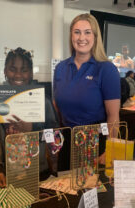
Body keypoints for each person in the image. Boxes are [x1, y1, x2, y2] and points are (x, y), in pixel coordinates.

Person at [53, 13, 120, 163]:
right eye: (77, 32)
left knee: (91, 186)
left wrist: (111, 149)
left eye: (87, 32)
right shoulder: (60, 68)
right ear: (71, 36)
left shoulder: (106, 69)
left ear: (95, 37)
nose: (81, 38)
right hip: (67, 142)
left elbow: (113, 115)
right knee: (64, 185)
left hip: (95, 143)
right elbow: (57, 108)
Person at [0, 47, 58, 187]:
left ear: (31, 73)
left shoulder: (43, 101)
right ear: (5, 71)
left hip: (40, 172)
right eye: (12, 69)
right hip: (11, 173)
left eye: (24, 70)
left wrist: (33, 129)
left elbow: (56, 136)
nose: (18, 75)